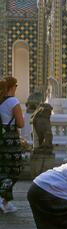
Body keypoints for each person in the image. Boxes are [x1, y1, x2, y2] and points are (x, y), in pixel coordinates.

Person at [0, 77, 24, 213]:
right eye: (16, 85)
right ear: (12, 87)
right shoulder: (13, 101)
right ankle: (2, 198)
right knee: (14, 170)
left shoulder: (0, 101)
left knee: (3, 169)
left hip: (1, 138)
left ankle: (6, 202)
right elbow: (21, 124)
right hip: (10, 141)